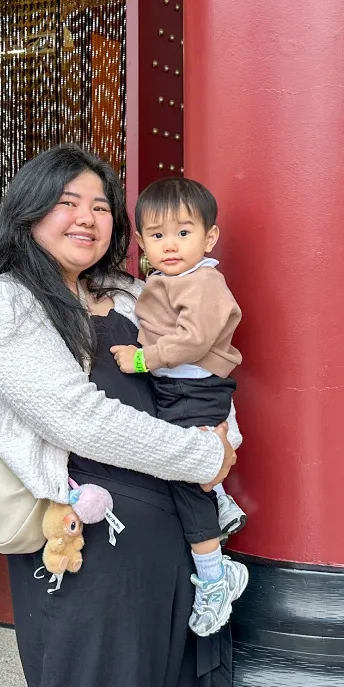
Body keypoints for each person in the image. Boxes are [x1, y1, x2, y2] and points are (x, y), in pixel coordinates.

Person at [0, 145, 241, 687]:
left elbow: (200, 369)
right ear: (29, 211)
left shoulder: (132, 291)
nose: (87, 217)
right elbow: (76, 416)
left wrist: (223, 438)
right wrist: (199, 456)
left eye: (100, 206)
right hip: (83, 530)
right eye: (67, 203)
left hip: (171, 524)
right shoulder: (5, 302)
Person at [110, 177, 248, 637]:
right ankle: (222, 502)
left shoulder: (202, 280)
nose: (169, 245)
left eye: (183, 233)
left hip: (194, 388)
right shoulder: (167, 279)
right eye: (156, 235)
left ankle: (215, 579)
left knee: (186, 477)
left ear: (209, 237)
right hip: (180, 389)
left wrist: (142, 359)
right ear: (141, 241)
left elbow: (194, 340)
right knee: (185, 466)